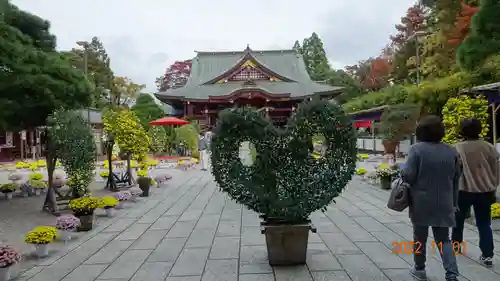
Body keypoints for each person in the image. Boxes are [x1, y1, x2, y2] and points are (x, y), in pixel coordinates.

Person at [401, 115, 461, 281]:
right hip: (445, 201)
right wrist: (454, 202)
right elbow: (456, 178)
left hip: (421, 202)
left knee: (419, 237)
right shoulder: (451, 151)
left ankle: (419, 268)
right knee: (444, 240)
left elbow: (408, 175)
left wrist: (402, 172)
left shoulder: (416, 149)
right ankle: (452, 273)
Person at [452, 117, 498, 267]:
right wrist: (493, 185)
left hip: (463, 190)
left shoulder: (457, 148)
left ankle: (456, 245)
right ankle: (487, 254)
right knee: (484, 223)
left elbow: (453, 171)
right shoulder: (489, 147)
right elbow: (496, 170)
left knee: (458, 220)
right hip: (485, 191)